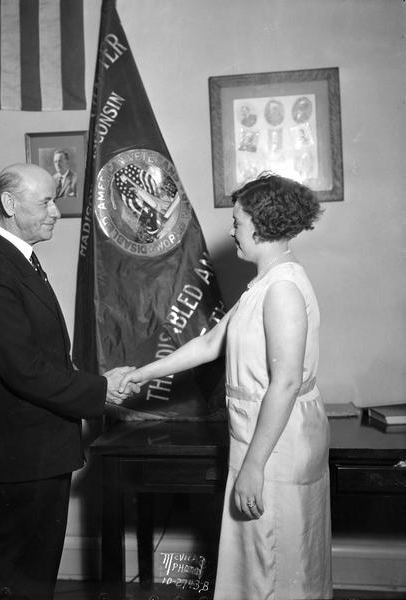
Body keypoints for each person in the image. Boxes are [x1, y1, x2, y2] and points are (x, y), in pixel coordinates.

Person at [119, 173, 332, 600]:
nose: (232, 229)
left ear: (262, 222)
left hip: (273, 445)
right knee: (259, 563)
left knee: (274, 565)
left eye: (237, 220)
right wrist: (141, 373)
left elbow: (286, 383)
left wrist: (254, 466)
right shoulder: (265, 283)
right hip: (260, 436)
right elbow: (210, 343)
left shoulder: (283, 289)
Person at [0, 163, 137, 600]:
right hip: (26, 457)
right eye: (45, 202)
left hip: (38, 451)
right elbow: (25, 371)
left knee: (33, 577)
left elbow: (43, 357)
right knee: (24, 579)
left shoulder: (16, 262)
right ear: (9, 204)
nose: (56, 211)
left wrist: (93, 383)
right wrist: (101, 390)